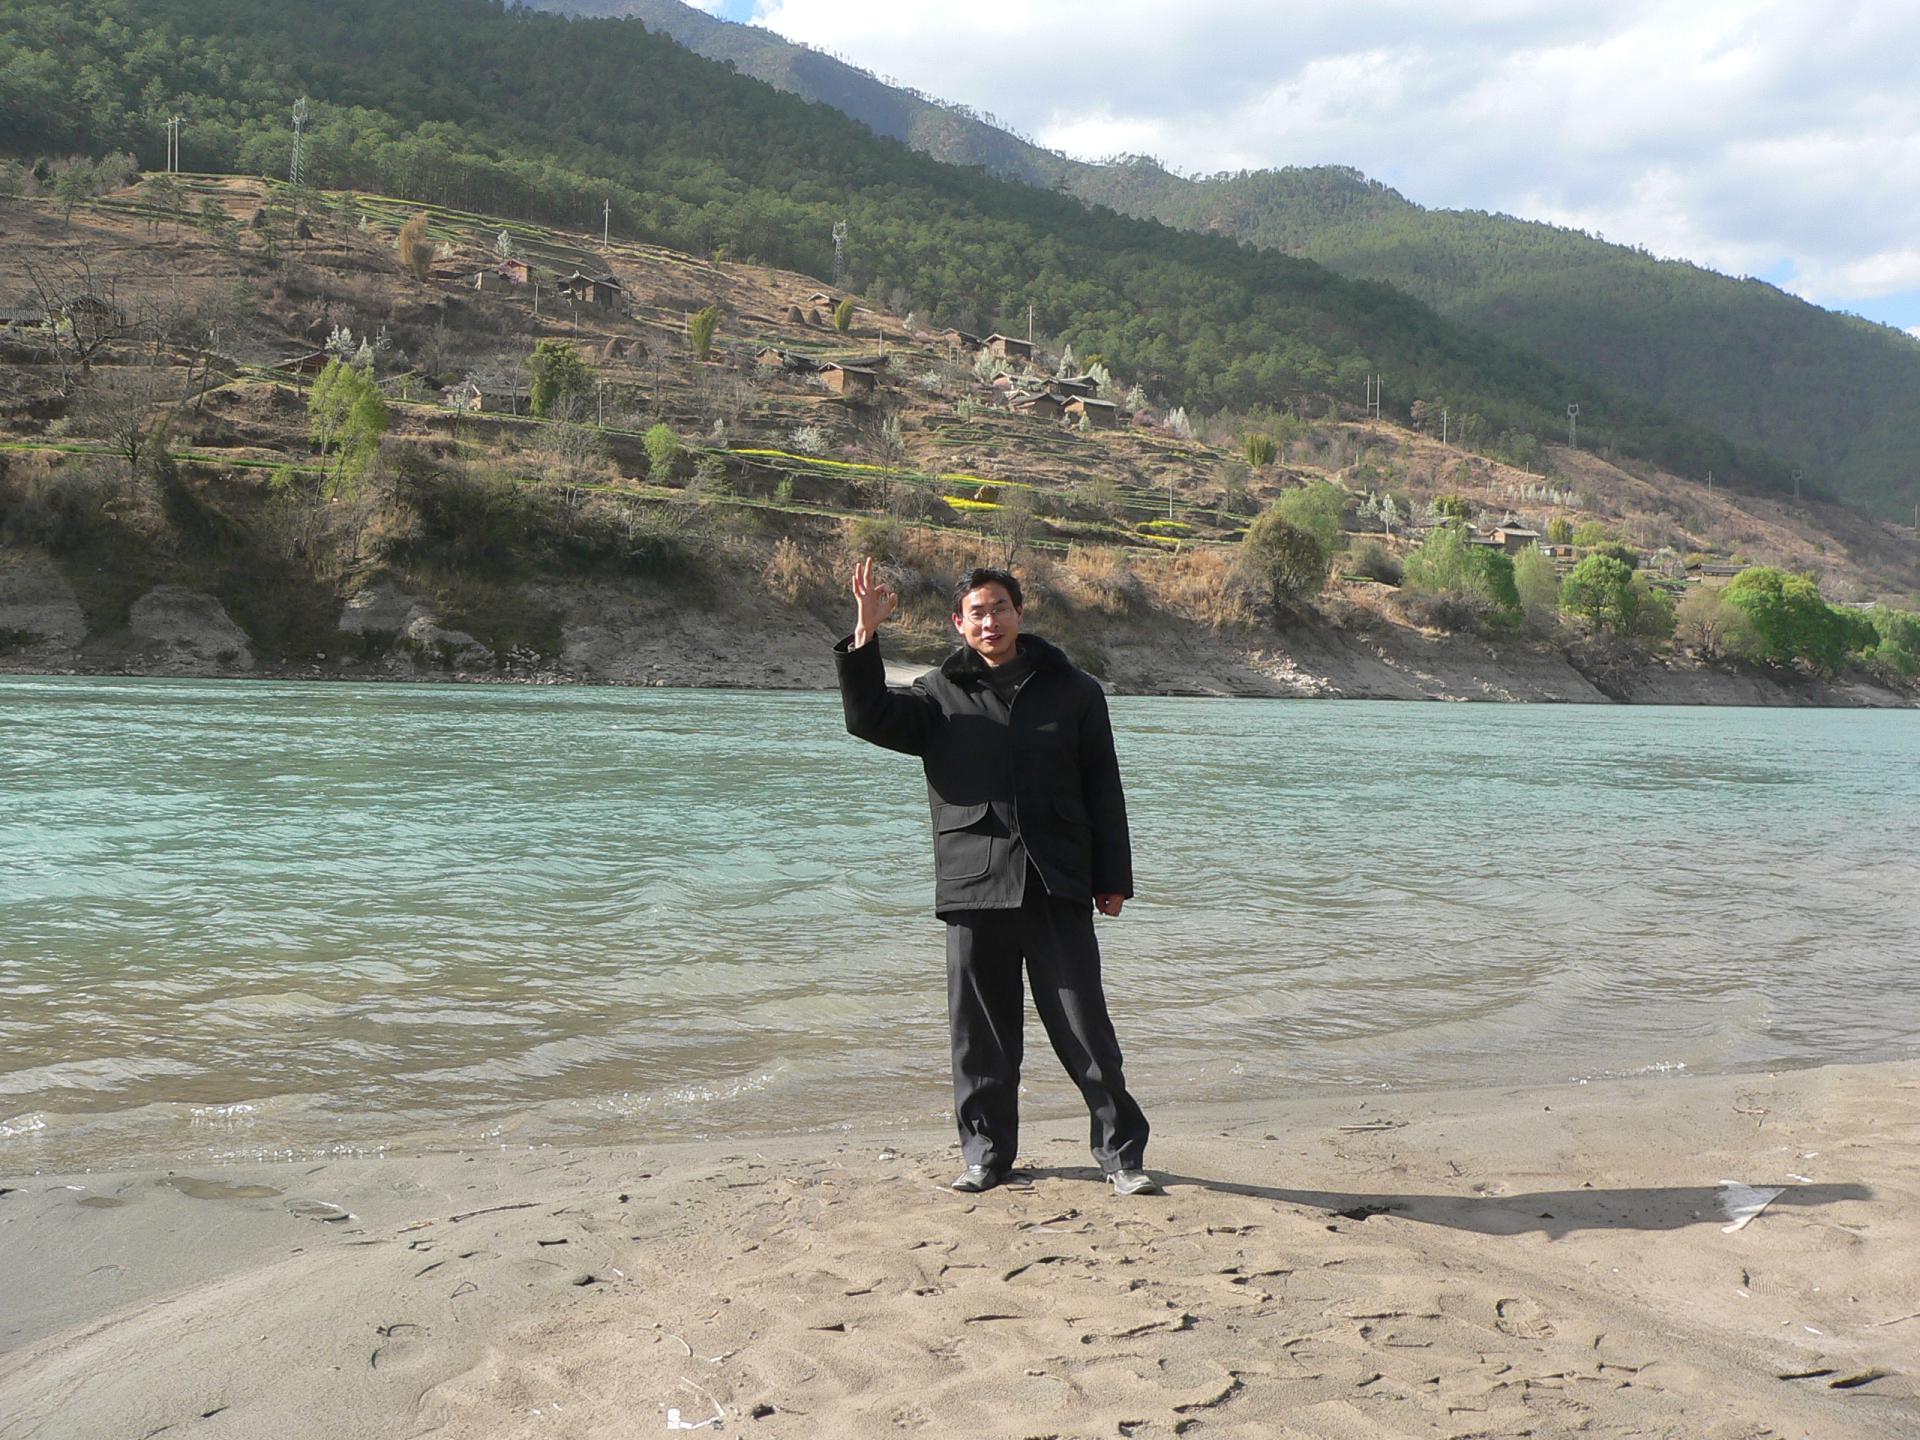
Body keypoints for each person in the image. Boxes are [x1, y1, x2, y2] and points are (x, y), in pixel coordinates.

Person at [834, 557, 1156, 1196]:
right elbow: (868, 717)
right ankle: (986, 1155)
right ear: (958, 623)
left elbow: (1104, 788)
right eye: (976, 613)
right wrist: (866, 634)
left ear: (1020, 613)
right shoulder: (936, 694)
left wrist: (1112, 877)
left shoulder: (1075, 691)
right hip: (973, 884)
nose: (990, 622)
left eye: (999, 608)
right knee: (979, 1035)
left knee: (1085, 1027)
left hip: (1057, 881)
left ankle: (1121, 1156)